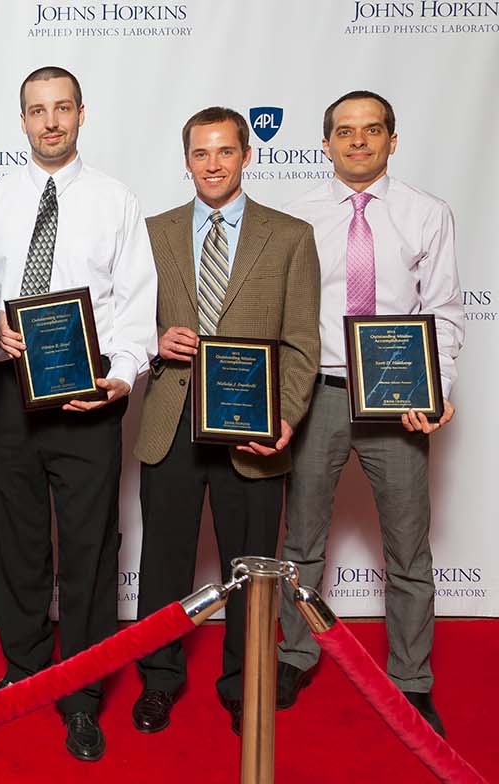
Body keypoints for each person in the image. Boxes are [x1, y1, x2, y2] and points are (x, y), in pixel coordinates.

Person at [0, 66, 157, 762]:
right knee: (16, 547)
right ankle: (23, 676)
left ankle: (80, 695)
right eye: (37, 110)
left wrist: (123, 376)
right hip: (4, 394)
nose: (50, 121)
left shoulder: (116, 201)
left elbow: (137, 305)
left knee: (88, 551)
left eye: (62, 108)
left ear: (82, 114)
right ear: (21, 120)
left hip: (86, 399)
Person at [276, 91, 463, 737]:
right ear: (325, 143)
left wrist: (434, 388)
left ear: (392, 139)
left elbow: (444, 312)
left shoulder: (427, 214)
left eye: (373, 130)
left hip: (398, 402)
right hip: (320, 394)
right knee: (301, 543)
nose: (359, 141)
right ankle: (294, 656)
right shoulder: (297, 216)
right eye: (346, 132)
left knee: (409, 549)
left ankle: (413, 680)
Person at [130, 106, 320, 736]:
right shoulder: (152, 231)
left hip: (252, 427)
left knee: (251, 565)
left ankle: (243, 683)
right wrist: (156, 338)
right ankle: (159, 680)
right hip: (173, 418)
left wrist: (285, 415)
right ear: (186, 160)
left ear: (246, 155)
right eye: (200, 153)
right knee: (164, 562)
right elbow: (128, 321)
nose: (212, 165)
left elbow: (300, 345)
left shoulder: (290, 236)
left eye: (224, 152)